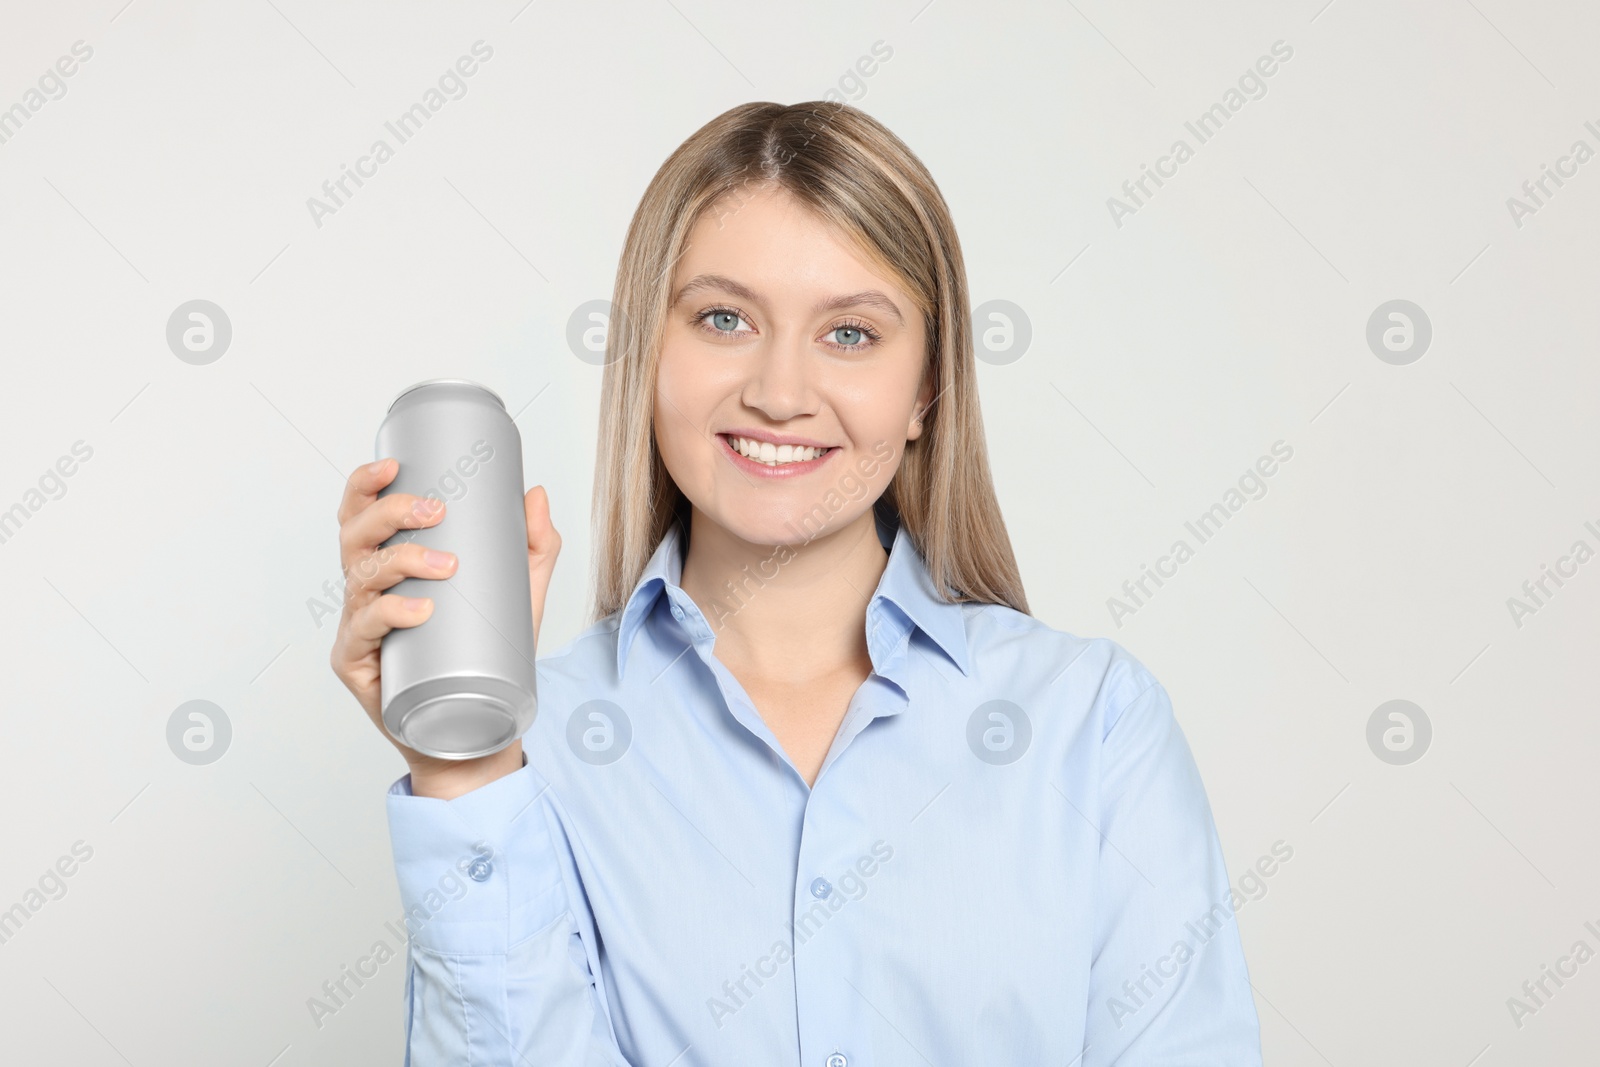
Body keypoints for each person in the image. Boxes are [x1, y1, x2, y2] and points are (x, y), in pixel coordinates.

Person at [331, 100, 1263, 1066]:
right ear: (651, 356)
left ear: (927, 390)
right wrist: (466, 768)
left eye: (851, 334)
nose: (779, 390)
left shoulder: (1092, 727)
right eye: (724, 319)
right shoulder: (532, 751)